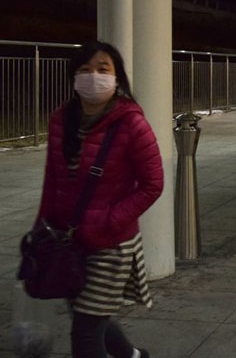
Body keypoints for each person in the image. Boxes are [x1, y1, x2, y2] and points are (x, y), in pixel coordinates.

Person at [33, 41, 163, 358]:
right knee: (88, 314)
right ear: (73, 78)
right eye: (85, 69)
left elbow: (152, 184)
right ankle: (133, 355)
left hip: (112, 244)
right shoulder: (61, 120)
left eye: (103, 69)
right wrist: (42, 227)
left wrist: (110, 220)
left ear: (117, 78)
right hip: (69, 240)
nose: (93, 76)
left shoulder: (132, 124)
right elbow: (53, 178)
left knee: (86, 332)